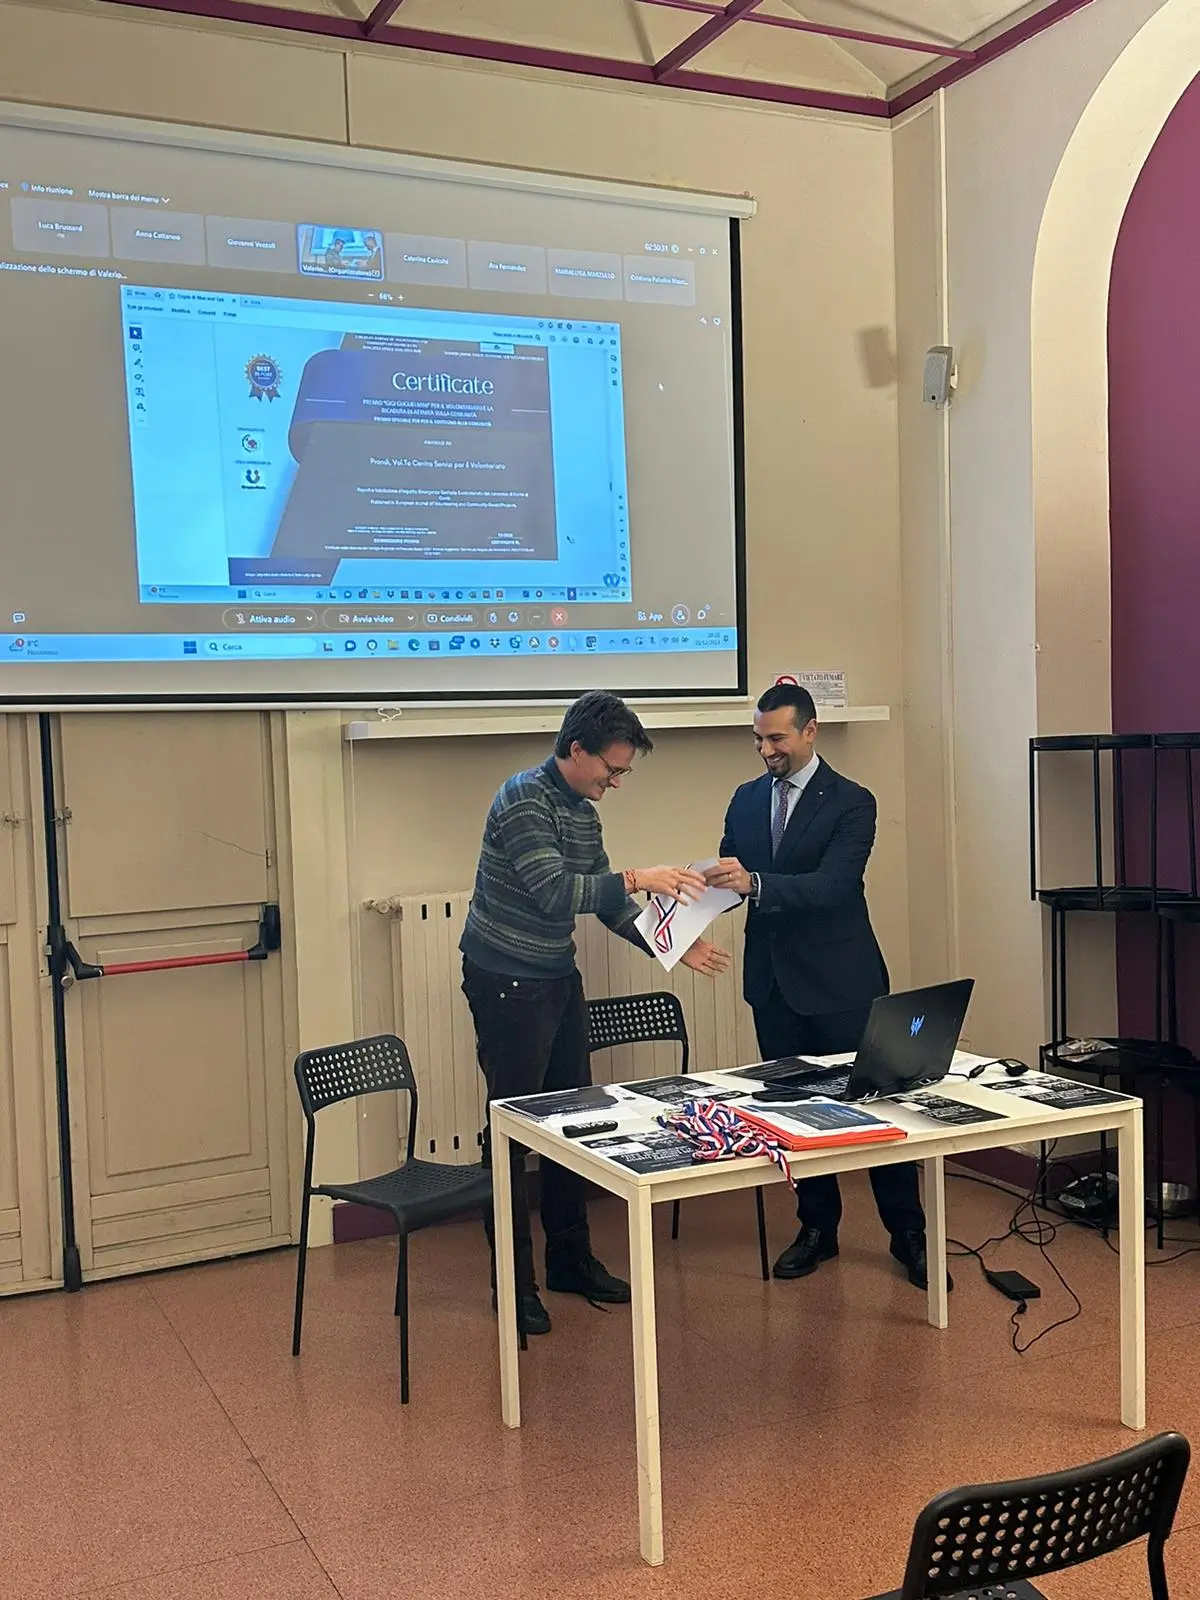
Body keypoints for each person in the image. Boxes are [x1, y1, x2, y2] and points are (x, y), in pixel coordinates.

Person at [461, 690, 729, 1335]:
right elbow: (556, 892)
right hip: (505, 982)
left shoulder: (582, 811)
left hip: (556, 975)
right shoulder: (523, 798)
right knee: (514, 1130)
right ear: (576, 750)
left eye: (624, 772)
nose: (616, 782)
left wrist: (674, 945)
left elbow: (608, 904)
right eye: (612, 768)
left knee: (571, 1122)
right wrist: (641, 877)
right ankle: (514, 1283)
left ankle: (570, 1259)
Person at [705, 683, 946, 1292]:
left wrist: (755, 883)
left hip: (842, 984)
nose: (766, 750)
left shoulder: (852, 802)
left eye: (776, 738)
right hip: (773, 988)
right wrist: (692, 896)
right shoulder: (744, 799)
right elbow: (733, 875)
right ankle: (817, 1228)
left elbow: (834, 885)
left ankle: (908, 1234)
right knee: (795, 1115)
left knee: (877, 1108)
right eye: (758, 739)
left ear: (810, 731)